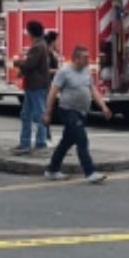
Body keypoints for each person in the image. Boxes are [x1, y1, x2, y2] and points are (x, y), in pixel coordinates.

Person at [42, 44, 112, 183]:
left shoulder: (86, 71)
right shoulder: (64, 72)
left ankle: (52, 169)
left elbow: (92, 90)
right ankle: (89, 172)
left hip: (82, 112)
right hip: (68, 111)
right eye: (85, 57)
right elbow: (53, 92)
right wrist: (48, 113)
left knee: (66, 142)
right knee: (82, 140)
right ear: (76, 58)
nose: (88, 60)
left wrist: (103, 107)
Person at [13, 20, 51, 153]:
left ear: (31, 32)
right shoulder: (40, 45)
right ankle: (25, 142)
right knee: (26, 114)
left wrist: (17, 62)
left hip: (36, 85)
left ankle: (39, 142)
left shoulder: (38, 47)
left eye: (28, 31)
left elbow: (30, 64)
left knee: (38, 114)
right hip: (34, 85)